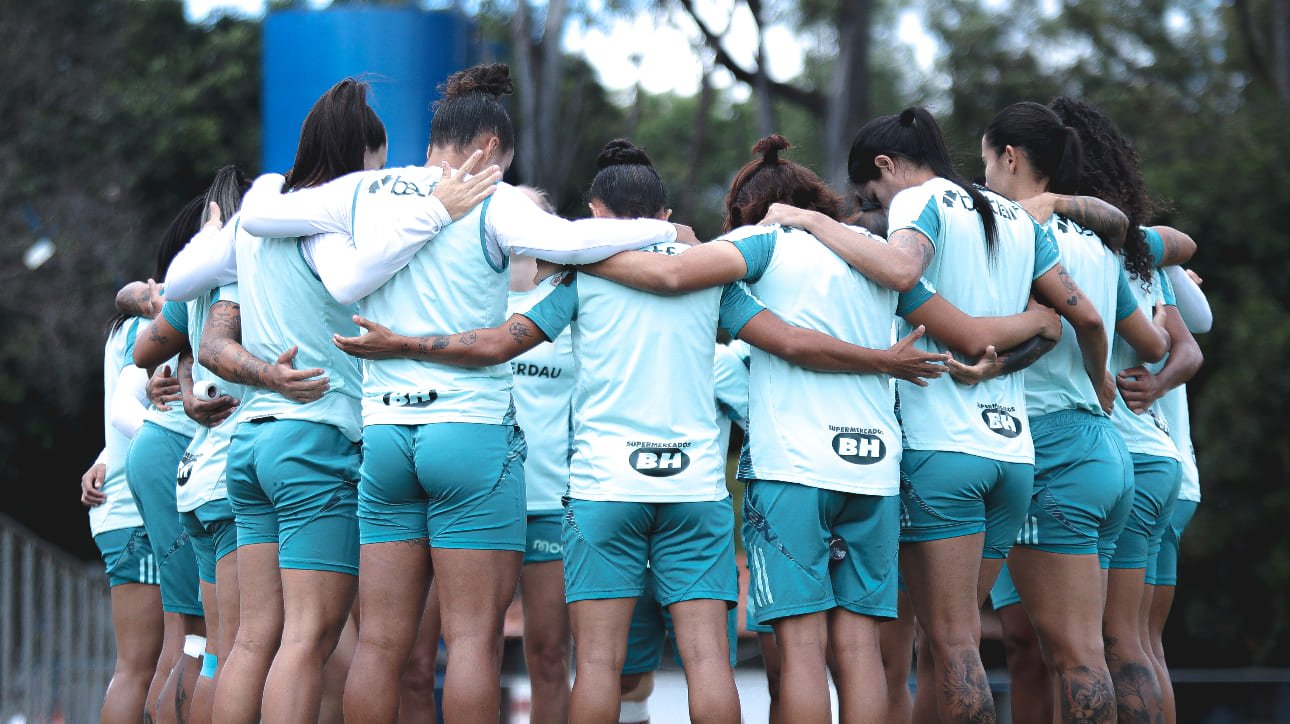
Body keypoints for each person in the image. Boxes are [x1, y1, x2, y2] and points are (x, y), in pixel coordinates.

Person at [331, 135, 950, 724]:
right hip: (696, 493)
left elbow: (497, 343)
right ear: (666, 211)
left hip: (605, 489)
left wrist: (404, 343)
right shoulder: (713, 275)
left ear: (595, 214)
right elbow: (789, 341)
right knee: (709, 663)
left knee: (596, 666)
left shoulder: (584, 274)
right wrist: (881, 360)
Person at [235, 65, 684, 723]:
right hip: (469, 434)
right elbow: (571, 241)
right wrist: (664, 233)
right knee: (472, 642)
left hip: (386, 439)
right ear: (489, 153)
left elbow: (262, 216)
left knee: (380, 646)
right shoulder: (493, 200)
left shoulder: (362, 192)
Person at [757, 107, 1098, 724]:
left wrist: (806, 218)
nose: (879, 208)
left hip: (941, 451)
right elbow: (1063, 320)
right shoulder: (1017, 214)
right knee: (959, 642)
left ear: (886, 167)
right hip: (1013, 455)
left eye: (872, 194)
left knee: (951, 644)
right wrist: (1002, 358)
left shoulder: (921, 201)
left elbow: (901, 269)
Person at [979, 100, 1171, 723]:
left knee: (1075, 658)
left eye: (986, 162)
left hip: (1052, 448)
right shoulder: (1096, 241)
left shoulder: (1014, 232)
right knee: (1118, 648)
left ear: (1010, 157)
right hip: (1108, 450)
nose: (984, 178)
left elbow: (1050, 328)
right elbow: (1150, 342)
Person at [1051, 95, 1204, 723]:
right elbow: (1181, 342)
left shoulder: (1076, 246)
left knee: (1100, 646)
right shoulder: (1137, 251)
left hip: (1114, 454)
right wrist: (1162, 382)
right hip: (1160, 460)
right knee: (1138, 645)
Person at [124, 197, 209, 723]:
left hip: (169, 456)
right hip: (172, 455)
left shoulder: (179, 297)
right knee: (194, 636)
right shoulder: (183, 296)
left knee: (189, 634)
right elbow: (127, 394)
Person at [84, 298, 162, 724]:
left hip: (128, 509)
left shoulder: (129, 325)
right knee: (137, 668)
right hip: (136, 516)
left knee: (142, 667)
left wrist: (103, 459)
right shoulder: (145, 328)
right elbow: (134, 412)